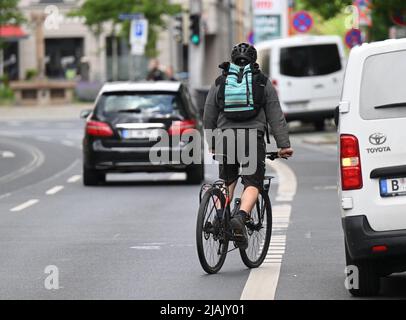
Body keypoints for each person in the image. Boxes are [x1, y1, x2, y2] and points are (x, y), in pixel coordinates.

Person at [203, 43, 293, 249]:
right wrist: (283, 145)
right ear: (254, 61)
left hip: (225, 138)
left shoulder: (220, 81)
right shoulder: (262, 82)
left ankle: (219, 215)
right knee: (253, 182)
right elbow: (275, 115)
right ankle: (241, 217)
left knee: (226, 181)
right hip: (253, 138)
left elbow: (208, 116)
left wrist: (213, 143)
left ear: (232, 60)